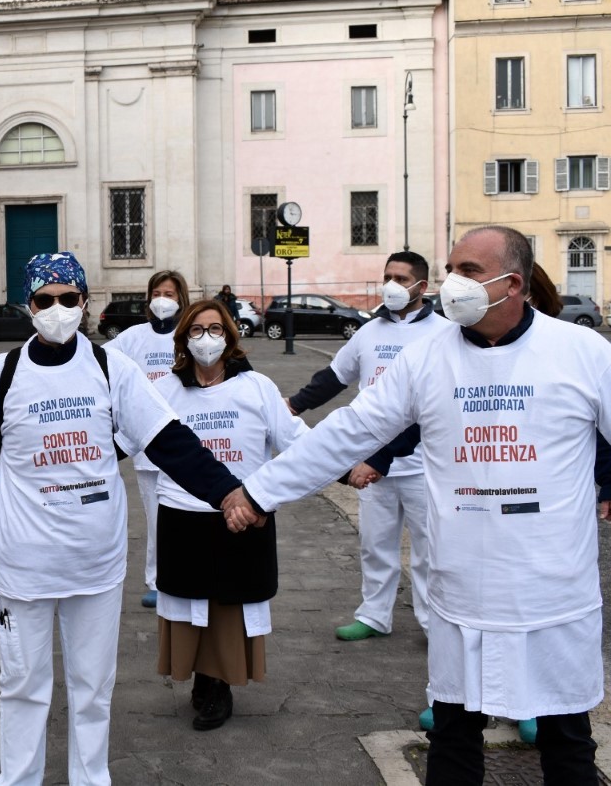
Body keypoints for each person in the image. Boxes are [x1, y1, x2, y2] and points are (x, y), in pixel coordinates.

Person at [222, 226, 611, 785]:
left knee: (567, 743)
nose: (454, 283)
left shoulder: (582, 353)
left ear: (514, 284)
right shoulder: (428, 358)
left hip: (550, 592)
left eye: (469, 272)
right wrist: (261, 491)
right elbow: (349, 431)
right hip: (463, 590)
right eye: (451, 269)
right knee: (453, 737)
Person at [0, 252, 244, 786]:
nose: (58, 309)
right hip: (22, 564)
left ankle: (90, 777)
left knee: (93, 685)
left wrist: (227, 491)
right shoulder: (1, 377)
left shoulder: (112, 368)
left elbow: (170, 442)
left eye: (69, 299)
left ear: (85, 303)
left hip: (95, 562)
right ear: (29, 306)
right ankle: (18, 778)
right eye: (45, 300)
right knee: (22, 683)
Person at [284, 251, 455, 647]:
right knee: (375, 544)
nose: (391, 285)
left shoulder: (442, 334)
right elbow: (334, 377)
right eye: (387, 276)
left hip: (423, 464)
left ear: (422, 287)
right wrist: (292, 405)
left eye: (401, 278)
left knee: (430, 552)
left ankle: (435, 625)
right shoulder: (370, 332)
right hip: (369, 462)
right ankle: (375, 615)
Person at [153, 299, 307, 731]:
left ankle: (218, 685)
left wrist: (347, 465)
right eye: (197, 330)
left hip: (245, 514)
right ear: (183, 338)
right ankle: (199, 682)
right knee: (190, 604)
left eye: (215, 329)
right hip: (183, 514)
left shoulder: (255, 387)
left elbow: (295, 440)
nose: (207, 338)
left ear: (230, 336)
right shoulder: (166, 390)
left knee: (229, 608)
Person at [105, 269, 190, 609]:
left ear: (181, 299)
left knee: (188, 513)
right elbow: (99, 362)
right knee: (157, 520)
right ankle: (157, 581)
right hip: (144, 443)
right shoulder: (132, 338)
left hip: (184, 439)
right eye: (158, 292)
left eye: (170, 294)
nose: (163, 300)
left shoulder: (187, 334)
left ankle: (189, 575)